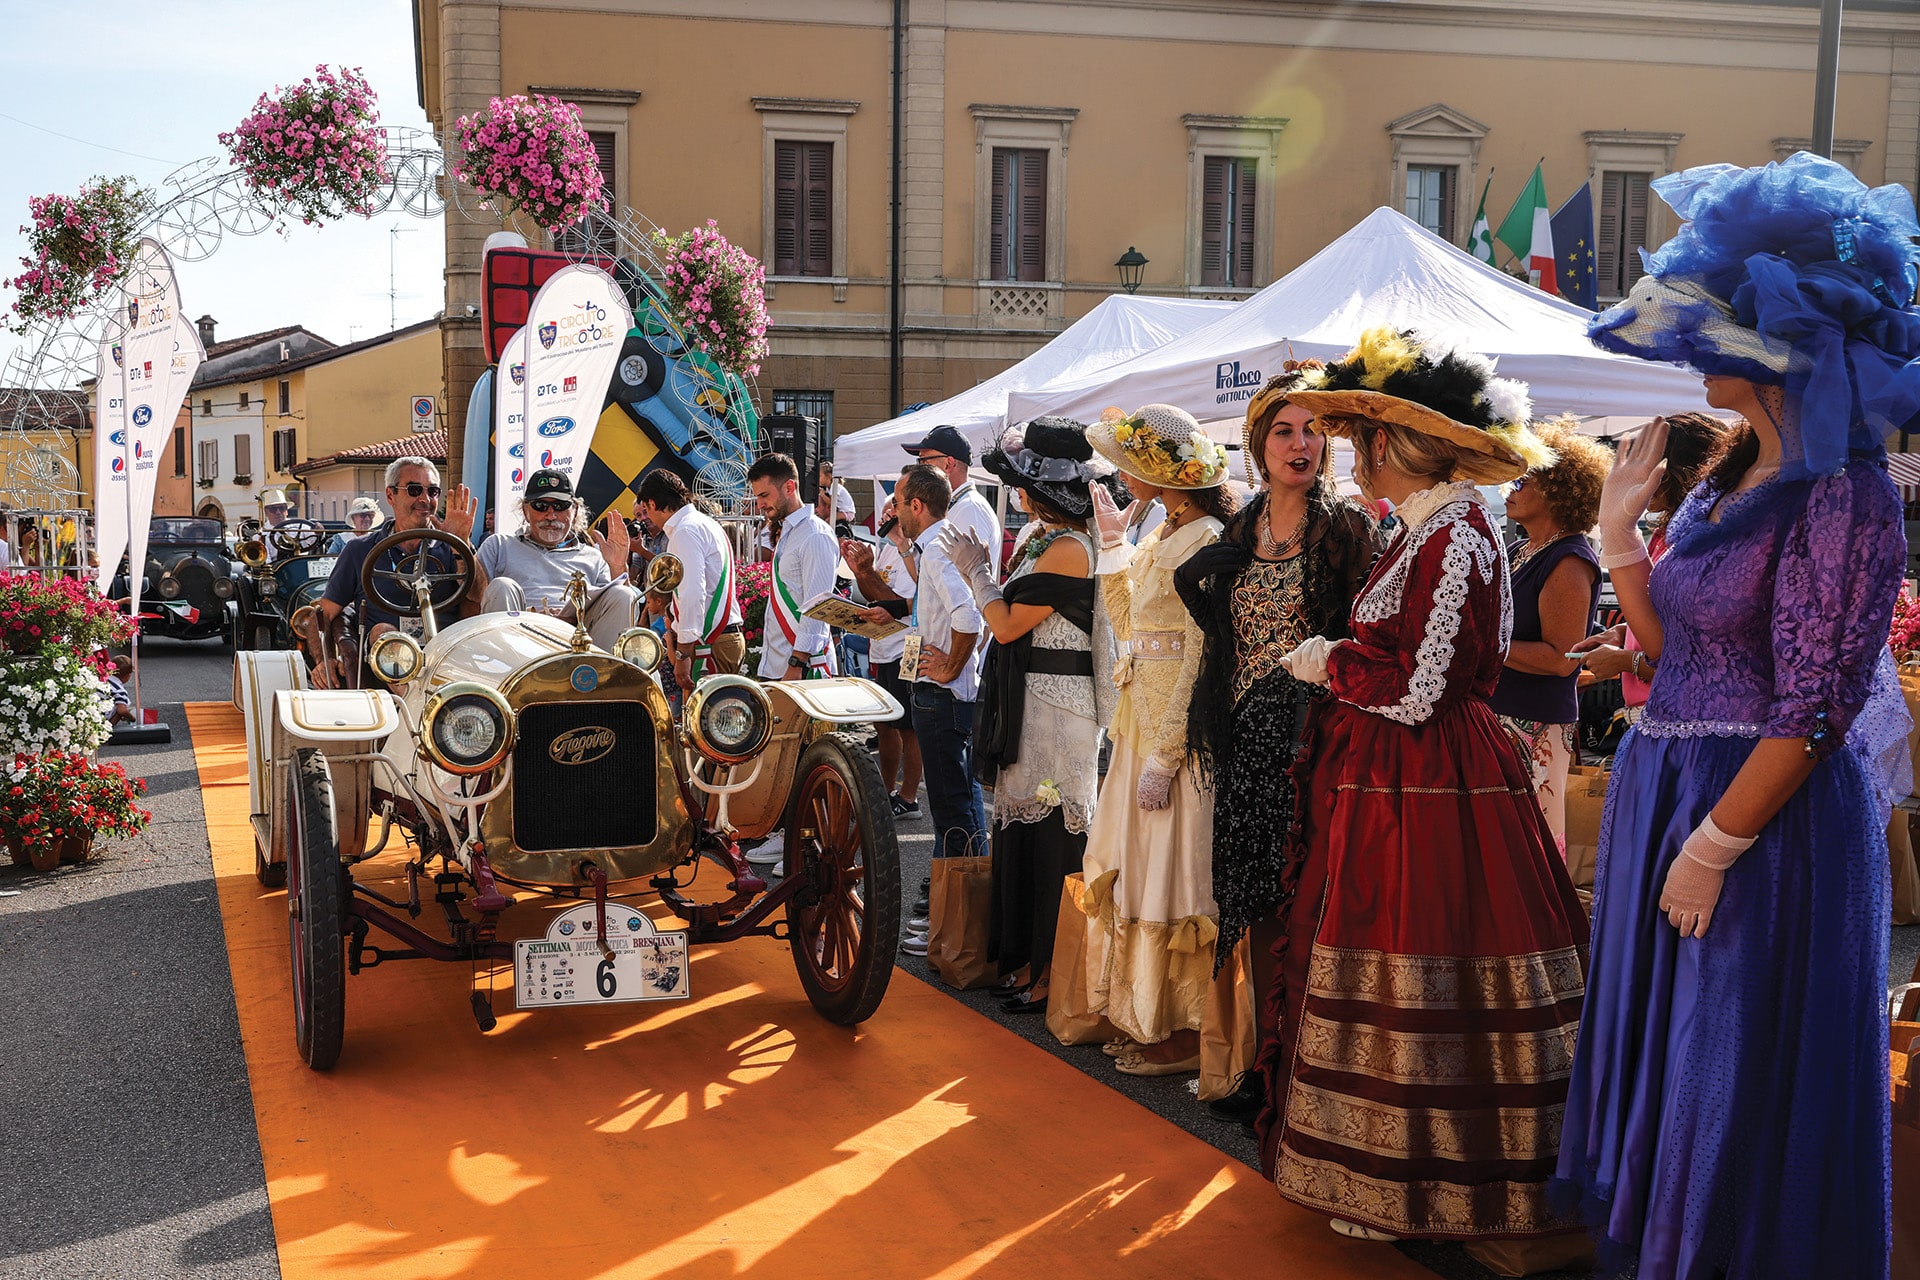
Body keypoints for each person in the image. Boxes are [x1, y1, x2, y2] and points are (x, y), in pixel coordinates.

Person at [1557, 152, 1917, 1280]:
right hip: (1673, 785)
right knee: (1673, 1064)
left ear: (1778, 345)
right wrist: (1621, 543)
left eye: (1712, 329)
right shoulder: (1726, 477)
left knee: (1732, 1063)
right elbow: (1675, 657)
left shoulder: (1843, 494)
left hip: (1765, 821)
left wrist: (1716, 843)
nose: (1689, 348)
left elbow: (1816, 700)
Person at [1264, 327, 1588, 1243]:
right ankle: (1381, 1170)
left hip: (1429, 777)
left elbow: (1418, 689)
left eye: (1364, 434)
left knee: (1424, 946)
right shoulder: (1436, 527)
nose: (1354, 450)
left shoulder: (1454, 532)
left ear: (1393, 444)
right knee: (1397, 945)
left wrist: (1330, 663)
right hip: (1403, 774)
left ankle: (1423, 1181)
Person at [1174, 366, 1386, 1125]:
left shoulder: (1347, 527)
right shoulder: (1242, 525)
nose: (1300, 444)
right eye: (1284, 431)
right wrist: (1194, 590)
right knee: (1254, 905)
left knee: (1305, 906)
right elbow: (1232, 641)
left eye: (1311, 431)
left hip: (1308, 747)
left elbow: (1370, 641)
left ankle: (1301, 1070)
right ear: (1258, 445)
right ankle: (1263, 1062)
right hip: (1243, 739)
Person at [1080, 404, 1235, 1077]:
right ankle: (1150, 1015)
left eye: (1127, 460)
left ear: (1156, 470)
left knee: (1176, 872)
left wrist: (1170, 753)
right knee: (1143, 868)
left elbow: (1202, 651)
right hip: (1140, 722)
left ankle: (1185, 1028)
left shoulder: (1203, 536)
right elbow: (1125, 621)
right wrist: (1113, 543)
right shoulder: (1163, 527)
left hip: (1176, 732)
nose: (1118, 472)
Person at [941, 418, 1111, 1014]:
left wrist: (976, 572)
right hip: (1033, 701)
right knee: (1023, 830)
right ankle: (1022, 962)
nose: (1015, 493)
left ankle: (1048, 970)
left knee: (1053, 840)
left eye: (1019, 484)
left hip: (1059, 707)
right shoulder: (1047, 539)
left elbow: (1007, 622)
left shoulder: (1068, 549)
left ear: (1039, 493)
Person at [1488, 418, 1611, 849]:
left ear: (1559, 486)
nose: (1510, 488)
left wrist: (1483, 644)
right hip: (1500, 719)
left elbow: (1562, 659)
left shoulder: (1568, 558)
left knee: (1524, 849)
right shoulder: (1524, 549)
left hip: (1532, 725)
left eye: (1523, 478)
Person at [1568, 412, 1732, 722]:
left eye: (1650, 462)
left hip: (1681, 715)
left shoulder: (1702, 541)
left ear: (1675, 471)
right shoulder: (1661, 535)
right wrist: (1621, 633)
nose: (1638, 476)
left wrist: (1625, 661)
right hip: (1654, 712)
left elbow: (1690, 655)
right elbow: (1659, 619)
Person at [885, 465, 984, 944]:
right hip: (945, 694)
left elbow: (970, 616)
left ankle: (953, 923)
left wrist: (949, 667)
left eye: (899, 502)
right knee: (961, 809)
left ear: (917, 507)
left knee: (951, 812)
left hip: (941, 695)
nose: (894, 510)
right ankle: (959, 917)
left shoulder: (938, 548)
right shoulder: (938, 544)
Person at [314, 456, 476, 687]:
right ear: (391, 495)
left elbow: (480, 598)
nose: (425, 499)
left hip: (447, 651)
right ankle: (414, 707)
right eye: (414, 490)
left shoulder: (452, 546)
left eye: (433, 491)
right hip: (385, 659)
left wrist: (462, 544)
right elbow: (323, 613)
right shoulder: (359, 550)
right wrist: (325, 658)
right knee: (384, 632)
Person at [471, 469, 638, 652]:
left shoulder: (594, 557)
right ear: (526, 511)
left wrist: (618, 566)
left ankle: (605, 675)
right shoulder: (499, 545)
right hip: (516, 643)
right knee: (502, 586)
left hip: (580, 643)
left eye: (560, 506)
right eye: (541, 506)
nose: (551, 516)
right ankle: (506, 674)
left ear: (574, 511)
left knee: (624, 594)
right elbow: (473, 600)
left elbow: (624, 613)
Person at [843, 472, 922, 818]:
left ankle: (909, 798)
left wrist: (867, 574)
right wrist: (860, 572)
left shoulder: (914, 553)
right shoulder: (888, 550)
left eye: (894, 510)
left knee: (907, 728)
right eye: (888, 511)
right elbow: (877, 596)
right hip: (883, 647)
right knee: (884, 725)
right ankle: (886, 791)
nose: (888, 516)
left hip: (907, 648)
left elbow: (902, 605)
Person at [635, 470, 744, 686]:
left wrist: (683, 652)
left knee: (701, 718)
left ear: (653, 504)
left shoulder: (685, 531)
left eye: (646, 510)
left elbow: (692, 592)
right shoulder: (704, 523)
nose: (648, 517)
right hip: (720, 638)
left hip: (710, 643)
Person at [748, 452, 839, 681]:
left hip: (802, 669)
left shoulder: (815, 535)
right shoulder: (788, 532)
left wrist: (796, 662)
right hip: (779, 665)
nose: (760, 504)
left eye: (764, 495)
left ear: (789, 487)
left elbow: (818, 607)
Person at [902, 424, 999, 568]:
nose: (919, 468)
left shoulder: (970, 508)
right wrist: (902, 542)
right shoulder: (958, 505)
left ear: (948, 464)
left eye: (924, 460)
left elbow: (970, 580)